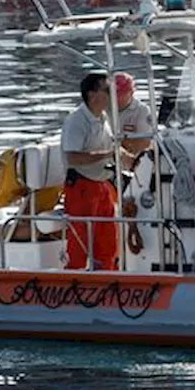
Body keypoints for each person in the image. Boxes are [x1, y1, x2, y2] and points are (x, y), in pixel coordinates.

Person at [61, 72, 133, 270]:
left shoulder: (103, 118)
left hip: (102, 184)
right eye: (108, 90)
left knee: (108, 238)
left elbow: (113, 147)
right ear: (93, 95)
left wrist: (135, 161)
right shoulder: (76, 121)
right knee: (80, 240)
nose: (113, 94)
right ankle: (74, 278)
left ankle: (106, 274)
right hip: (82, 186)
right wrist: (107, 155)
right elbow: (72, 157)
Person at [113, 72, 154, 155]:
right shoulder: (102, 106)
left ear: (131, 93)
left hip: (132, 157)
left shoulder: (142, 110)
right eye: (114, 94)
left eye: (122, 95)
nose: (117, 99)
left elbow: (145, 143)